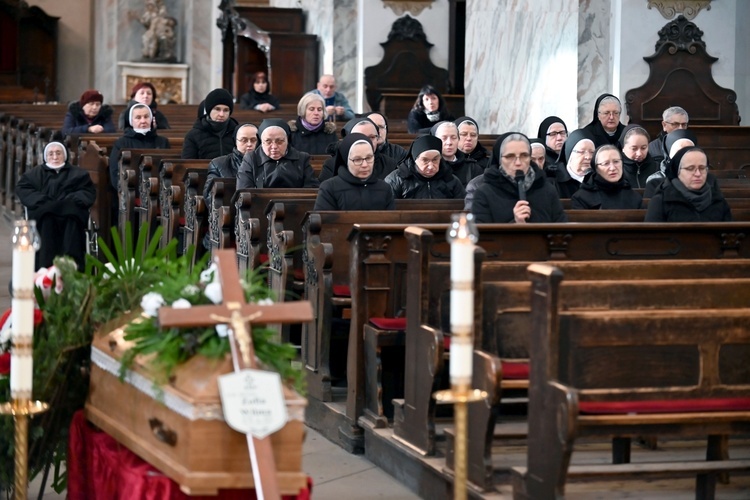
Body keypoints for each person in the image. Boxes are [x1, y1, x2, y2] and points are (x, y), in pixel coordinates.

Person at [15, 142, 96, 270]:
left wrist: (70, 200)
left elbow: (87, 192)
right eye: (50, 154)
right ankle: (44, 267)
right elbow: (23, 189)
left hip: (70, 215)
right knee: (47, 218)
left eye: (58, 153)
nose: (54, 157)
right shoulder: (34, 174)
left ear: (65, 156)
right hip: (45, 215)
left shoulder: (79, 174)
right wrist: (43, 201)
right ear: (45, 157)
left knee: (72, 219)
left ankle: (73, 267)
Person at [471, 133, 567, 223]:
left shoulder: (547, 190)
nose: (518, 162)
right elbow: (481, 237)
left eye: (524, 156)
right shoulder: (484, 193)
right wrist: (515, 224)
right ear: (500, 159)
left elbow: (562, 231)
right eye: (510, 156)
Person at [645, 146, 732, 222]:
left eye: (702, 168)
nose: (698, 174)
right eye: (690, 168)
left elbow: (730, 234)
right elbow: (652, 238)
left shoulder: (716, 198)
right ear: (677, 171)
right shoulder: (661, 200)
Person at [314, 133, 395, 211]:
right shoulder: (329, 188)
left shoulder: (385, 188)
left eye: (369, 158)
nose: (365, 164)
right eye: (357, 159)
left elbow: (390, 221)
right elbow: (324, 222)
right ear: (346, 160)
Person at [237, 119, 319, 189]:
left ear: (287, 141)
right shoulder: (251, 159)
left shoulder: (301, 158)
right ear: (261, 142)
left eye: (279, 141)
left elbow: (311, 188)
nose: (274, 146)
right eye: (268, 141)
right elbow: (244, 190)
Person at [109, 103, 171, 190]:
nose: (143, 121)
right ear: (131, 121)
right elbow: (115, 172)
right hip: (130, 191)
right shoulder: (121, 143)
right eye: (138, 117)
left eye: (146, 117)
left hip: (159, 190)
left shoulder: (163, 141)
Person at [385, 135, 465, 200]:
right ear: (415, 159)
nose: (431, 166)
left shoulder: (450, 179)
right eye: (425, 160)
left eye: (435, 160)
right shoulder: (396, 180)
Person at [318, 117, 397, 182]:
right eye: (361, 136)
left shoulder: (390, 164)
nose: (367, 142)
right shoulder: (331, 165)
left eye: (372, 137)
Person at [571, 145, 643, 210]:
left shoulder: (634, 197)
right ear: (596, 168)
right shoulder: (581, 198)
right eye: (606, 163)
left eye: (616, 161)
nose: (612, 168)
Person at [204, 123, 258, 200]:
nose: (249, 144)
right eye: (244, 140)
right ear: (235, 141)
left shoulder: (267, 163)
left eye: (253, 140)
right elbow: (209, 195)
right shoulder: (218, 164)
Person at [182, 88, 238, 159]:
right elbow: (188, 163)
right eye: (217, 109)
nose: (221, 114)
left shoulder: (237, 133)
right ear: (209, 110)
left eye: (226, 110)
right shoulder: (193, 135)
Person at [644, 129, 698, 195]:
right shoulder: (655, 180)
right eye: (679, 151)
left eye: (689, 150)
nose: (684, 155)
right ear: (669, 153)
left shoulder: (702, 177)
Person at [431, 121, 482, 187]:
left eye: (453, 138)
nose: (449, 142)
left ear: (458, 139)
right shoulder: (430, 168)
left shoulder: (472, 168)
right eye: (444, 138)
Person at [551, 129, 596, 198]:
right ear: (570, 154)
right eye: (582, 152)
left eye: (592, 152)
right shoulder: (553, 180)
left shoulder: (599, 179)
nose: (588, 157)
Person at [619, 124, 659, 189]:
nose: (639, 153)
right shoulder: (616, 169)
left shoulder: (657, 168)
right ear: (623, 148)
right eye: (634, 148)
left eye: (643, 148)